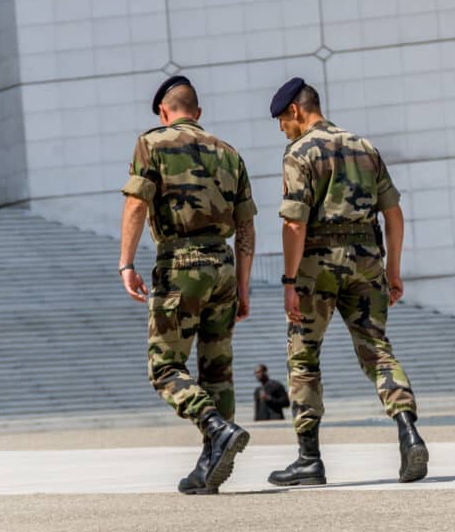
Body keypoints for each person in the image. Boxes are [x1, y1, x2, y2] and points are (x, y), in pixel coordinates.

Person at [266, 77, 428, 486]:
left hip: (317, 266)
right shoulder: (364, 147)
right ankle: (409, 433)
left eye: (282, 121)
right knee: (378, 351)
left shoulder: (299, 152)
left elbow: (294, 223)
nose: (283, 129)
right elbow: (394, 214)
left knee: (303, 358)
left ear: (295, 111)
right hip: (367, 262)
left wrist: (289, 280)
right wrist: (393, 271)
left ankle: (309, 459)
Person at [119, 75, 256, 495]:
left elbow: (137, 203)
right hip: (224, 266)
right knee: (218, 370)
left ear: (164, 111)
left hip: (180, 264)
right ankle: (210, 462)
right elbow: (246, 227)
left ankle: (215, 427)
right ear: (197, 112)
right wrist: (244, 286)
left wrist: (126, 263)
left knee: (164, 368)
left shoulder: (152, 143)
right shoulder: (229, 152)